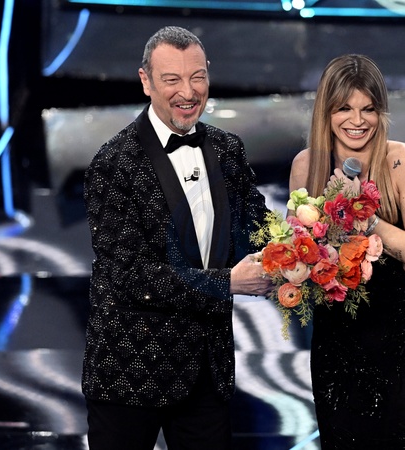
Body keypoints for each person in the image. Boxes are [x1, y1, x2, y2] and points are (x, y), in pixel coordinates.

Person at [82, 26, 272, 450]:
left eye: (197, 77)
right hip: (130, 372)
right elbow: (131, 276)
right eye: (172, 80)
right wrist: (227, 282)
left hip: (206, 370)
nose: (188, 92)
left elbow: (258, 228)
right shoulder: (113, 163)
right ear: (146, 81)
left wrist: (313, 231)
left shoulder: (227, 149)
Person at [289, 54, 405, 448]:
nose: (357, 120)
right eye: (344, 108)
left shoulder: (403, 161)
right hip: (336, 345)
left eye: (368, 109)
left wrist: (366, 219)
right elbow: (298, 260)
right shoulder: (306, 166)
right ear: (326, 111)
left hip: (402, 345)